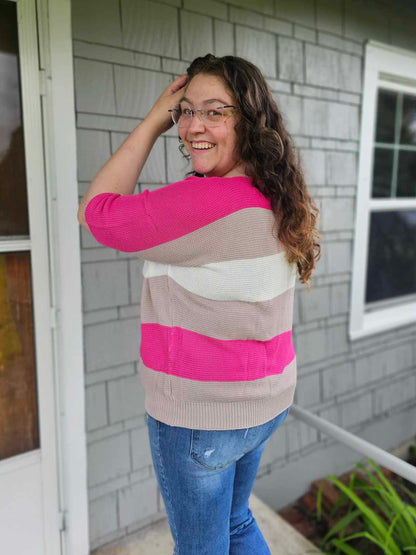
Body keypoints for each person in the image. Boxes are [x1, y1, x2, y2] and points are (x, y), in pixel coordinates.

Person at [78, 53, 321, 555]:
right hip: (266, 402)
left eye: (215, 111)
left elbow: (96, 211)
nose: (192, 126)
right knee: (234, 524)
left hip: (202, 416)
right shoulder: (274, 193)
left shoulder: (202, 205)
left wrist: (151, 121)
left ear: (248, 121)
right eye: (184, 111)